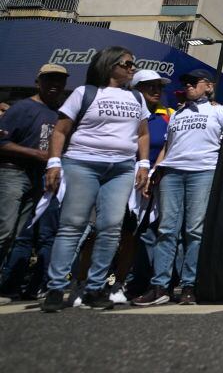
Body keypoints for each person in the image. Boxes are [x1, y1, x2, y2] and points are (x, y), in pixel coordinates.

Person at [41, 47, 149, 312]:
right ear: (109, 64)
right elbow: (61, 130)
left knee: (111, 227)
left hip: (122, 168)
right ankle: (56, 288)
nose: (132, 68)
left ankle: (94, 288)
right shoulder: (84, 93)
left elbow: (143, 133)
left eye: (133, 64)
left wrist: (143, 163)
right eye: (127, 64)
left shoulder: (136, 97)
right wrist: (54, 162)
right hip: (83, 163)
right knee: (72, 225)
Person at [134, 69, 223, 307]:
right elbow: (167, 146)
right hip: (171, 173)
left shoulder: (220, 111)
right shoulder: (176, 114)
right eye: (185, 82)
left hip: (203, 171)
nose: (187, 85)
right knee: (166, 230)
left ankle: (189, 286)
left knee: (194, 230)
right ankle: (160, 286)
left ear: (208, 86)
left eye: (193, 82)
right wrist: (154, 171)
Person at [0, 64, 67, 302]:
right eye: (49, 80)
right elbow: (2, 144)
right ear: (38, 82)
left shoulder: (60, 114)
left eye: (59, 81)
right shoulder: (22, 108)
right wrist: (36, 154)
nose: (54, 85)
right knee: (5, 229)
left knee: (22, 234)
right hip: (13, 172)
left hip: (42, 179)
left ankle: (9, 286)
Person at [122, 69, 174, 298]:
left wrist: (154, 174)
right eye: (149, 86)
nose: (156, 90)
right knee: (121, 233)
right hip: (126, 181)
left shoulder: (169, 116)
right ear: (135, 89)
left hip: (157, 183)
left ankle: (141, 283)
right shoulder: (127, 115)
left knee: (151, 233)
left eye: (159, 86)